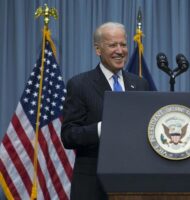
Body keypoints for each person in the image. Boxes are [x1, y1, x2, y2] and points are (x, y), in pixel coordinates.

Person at [61, 22, 149, 200]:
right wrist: (103, 128)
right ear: (98, 50)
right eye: (112, 45)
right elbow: (69, 135)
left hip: (133, 182)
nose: (120, 50)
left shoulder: (140, 84)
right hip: (92, 186)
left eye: (123, 44)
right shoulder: (79, 85)